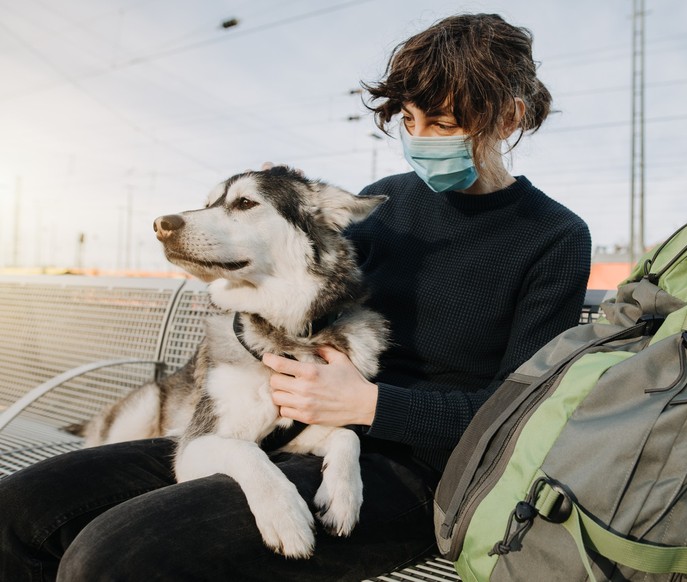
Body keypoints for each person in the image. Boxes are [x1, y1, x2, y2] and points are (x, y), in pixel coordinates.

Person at [0, 13, 591, 581]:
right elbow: (301, 286)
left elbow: (523, 416)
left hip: (416, 469)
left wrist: (370, 407)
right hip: (281, 421)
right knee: (22, 508)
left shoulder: (554, 238)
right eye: (408, 120)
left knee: (113, 557)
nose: (418, 139)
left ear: (508, 119)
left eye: (440, 124)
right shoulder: (385, 199)